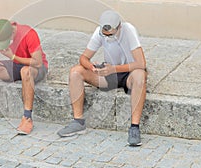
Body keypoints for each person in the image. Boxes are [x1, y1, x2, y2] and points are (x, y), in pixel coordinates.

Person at [57, 10, 147, 146]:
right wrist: (92, 67)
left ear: (119, 28)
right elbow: (83, 58)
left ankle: (134, 128)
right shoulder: (98, 32)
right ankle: (78, 121)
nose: (108, 38)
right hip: (108, 73)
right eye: (105, 35)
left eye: (111, 35)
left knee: (140, 75)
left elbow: (141, 63)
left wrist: (114, 68)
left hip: (129, 73)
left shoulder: (128, 30)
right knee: (75, 71)